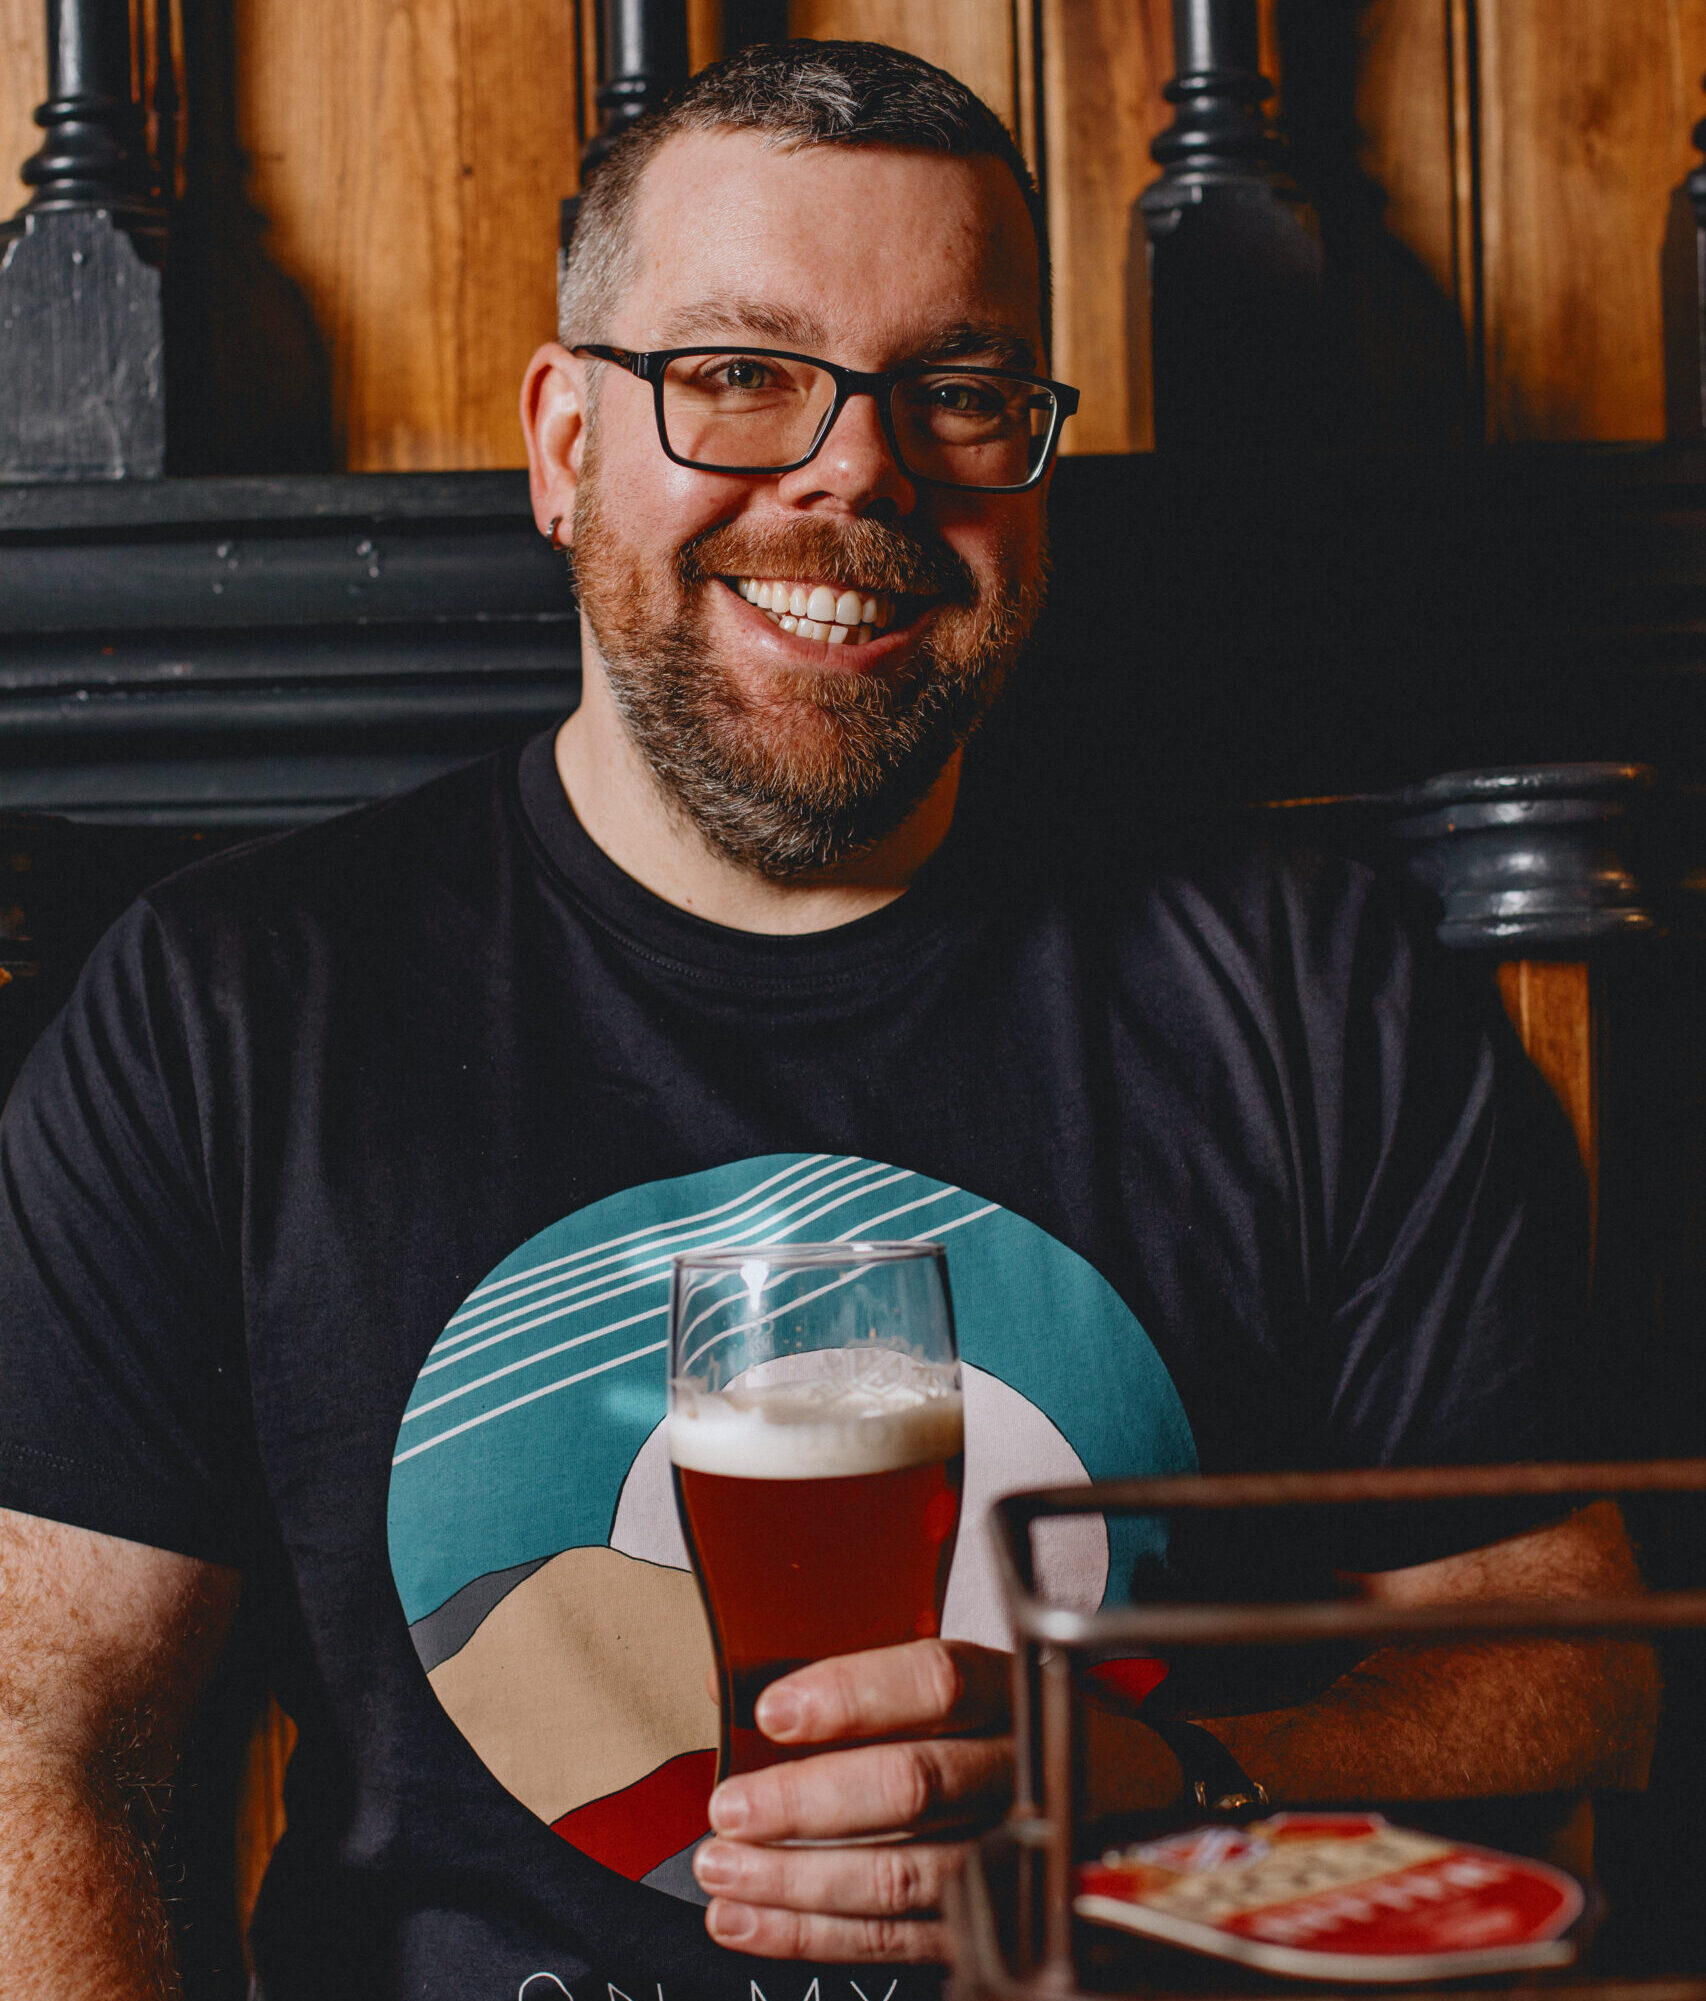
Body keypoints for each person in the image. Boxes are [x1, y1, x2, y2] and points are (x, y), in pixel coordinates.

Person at [0, 38, 1655, 2001]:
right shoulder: (234, 1000)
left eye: (954, 389)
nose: (854, 464)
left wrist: (1150, 1764)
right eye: (737, 376)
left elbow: (1566, 1678)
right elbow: (45, 1740)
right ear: (562, 444)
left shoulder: (1303, 983)